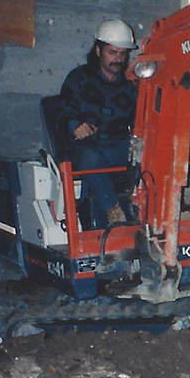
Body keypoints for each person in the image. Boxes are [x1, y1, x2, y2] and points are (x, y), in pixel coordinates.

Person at [58, 19, 139, 228]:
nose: (118, 59)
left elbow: (140, 120)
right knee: (89, 157)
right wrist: (75, 125)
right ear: (98, 51)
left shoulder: (131, 85)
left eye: (123, 54)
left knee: (147, 153)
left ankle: (152, 211)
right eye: (112, 53)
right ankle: (113, 211)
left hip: (117, 148)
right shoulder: (79, 79)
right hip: (86, 149)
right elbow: (62, 112)